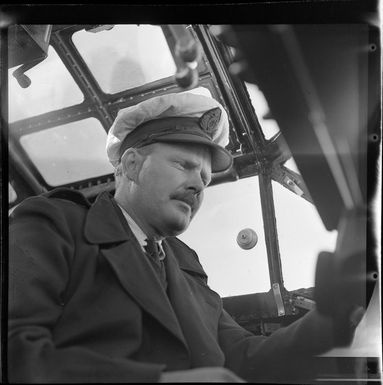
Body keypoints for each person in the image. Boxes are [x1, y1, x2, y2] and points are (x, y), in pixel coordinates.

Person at [8, 92, 359, 383]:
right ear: (131, 165)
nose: (197, 185)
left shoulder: (186, 264)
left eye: (205, 179)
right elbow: (14, 351)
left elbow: (242, 357)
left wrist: (331, 320)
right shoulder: (55, 224)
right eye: (183, 166)